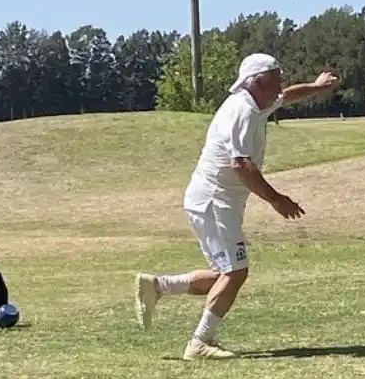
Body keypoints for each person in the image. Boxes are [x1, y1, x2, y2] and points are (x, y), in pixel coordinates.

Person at [135, 53, 339, 360]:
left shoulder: (258, 101)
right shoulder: (241, 111)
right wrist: (276, 199)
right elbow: (242, 165)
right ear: (256, 81)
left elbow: (286, 97)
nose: (280, 86)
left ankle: (157, 286)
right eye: (275, 79)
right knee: (235, 272)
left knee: (224, 273)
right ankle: (199, 343)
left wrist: (315, 86)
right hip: (214, 201)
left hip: (219, 201)